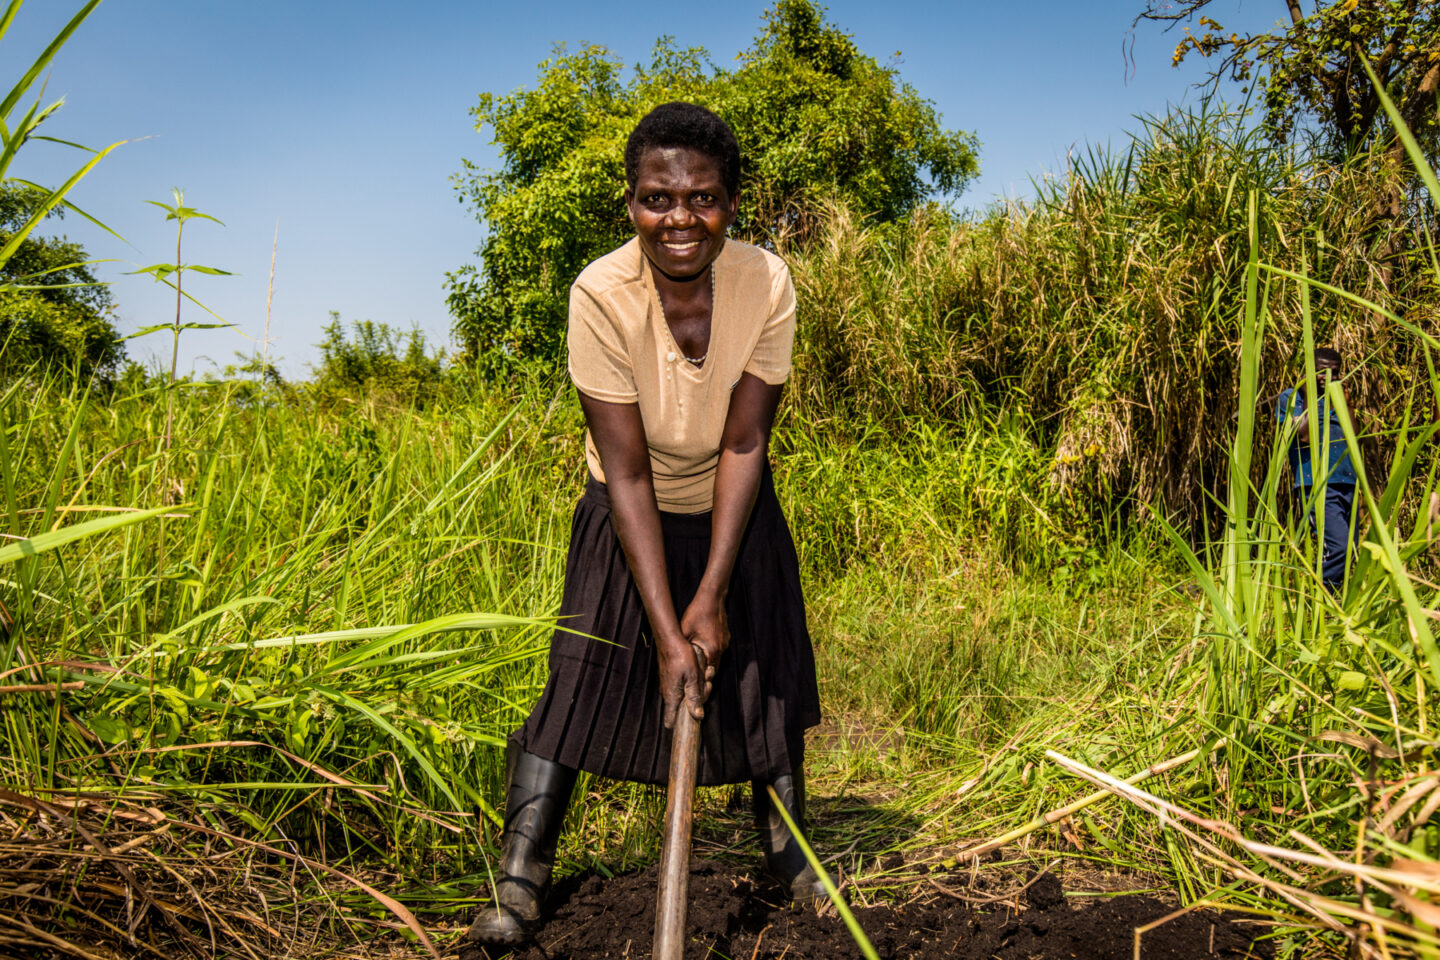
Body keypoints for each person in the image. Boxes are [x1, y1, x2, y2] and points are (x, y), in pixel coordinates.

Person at [465, 102, 824, 948]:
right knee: (580, 677)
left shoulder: (765, 283)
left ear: (732, 204)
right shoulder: (600, 292)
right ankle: (522, 875)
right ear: (631, 204)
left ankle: (792, 853)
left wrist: (714, 594)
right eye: (657, 199)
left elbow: (745, 441)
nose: (679, 220)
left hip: (734, 504)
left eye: (701, 198)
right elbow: (624, 468)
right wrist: (668, 630)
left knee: (762, 675)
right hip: (629, 506)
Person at [1276, 347, 1358, 591]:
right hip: (1317, 484)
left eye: (1333, 373)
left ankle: (1336, 598)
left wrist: (1346, 404)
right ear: (1306, 371)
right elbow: (1302, 437)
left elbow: (1354, 437)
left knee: (1350, 549)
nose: (1325, 377)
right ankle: (1323, 595)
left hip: (1346, 480)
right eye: (1320, 372)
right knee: (1338, 545)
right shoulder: (1292, 398)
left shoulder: (1338, 397)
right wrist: (1312, 397)